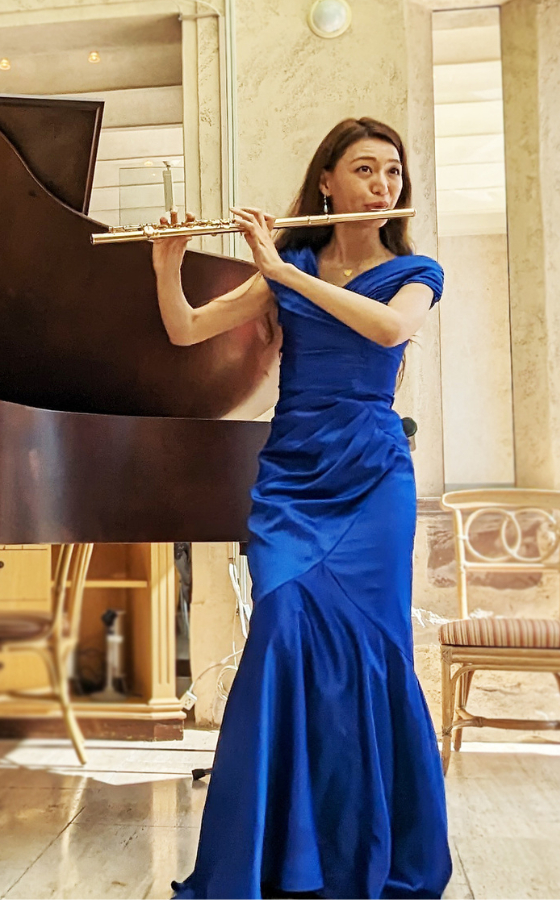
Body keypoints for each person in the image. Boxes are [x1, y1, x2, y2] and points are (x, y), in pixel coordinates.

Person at [153, 119, 451, 898]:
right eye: (365, 169)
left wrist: (283, 274)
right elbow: (185, 329)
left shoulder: (416, 271)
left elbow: (389, 328)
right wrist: (168, 264)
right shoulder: (291, 266)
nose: (383, 185)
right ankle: (275, 855)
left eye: (393, 171)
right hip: (293, 475)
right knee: (282, 626)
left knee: (371, 646)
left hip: (374, 476)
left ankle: (365, 852)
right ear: (327, 181)